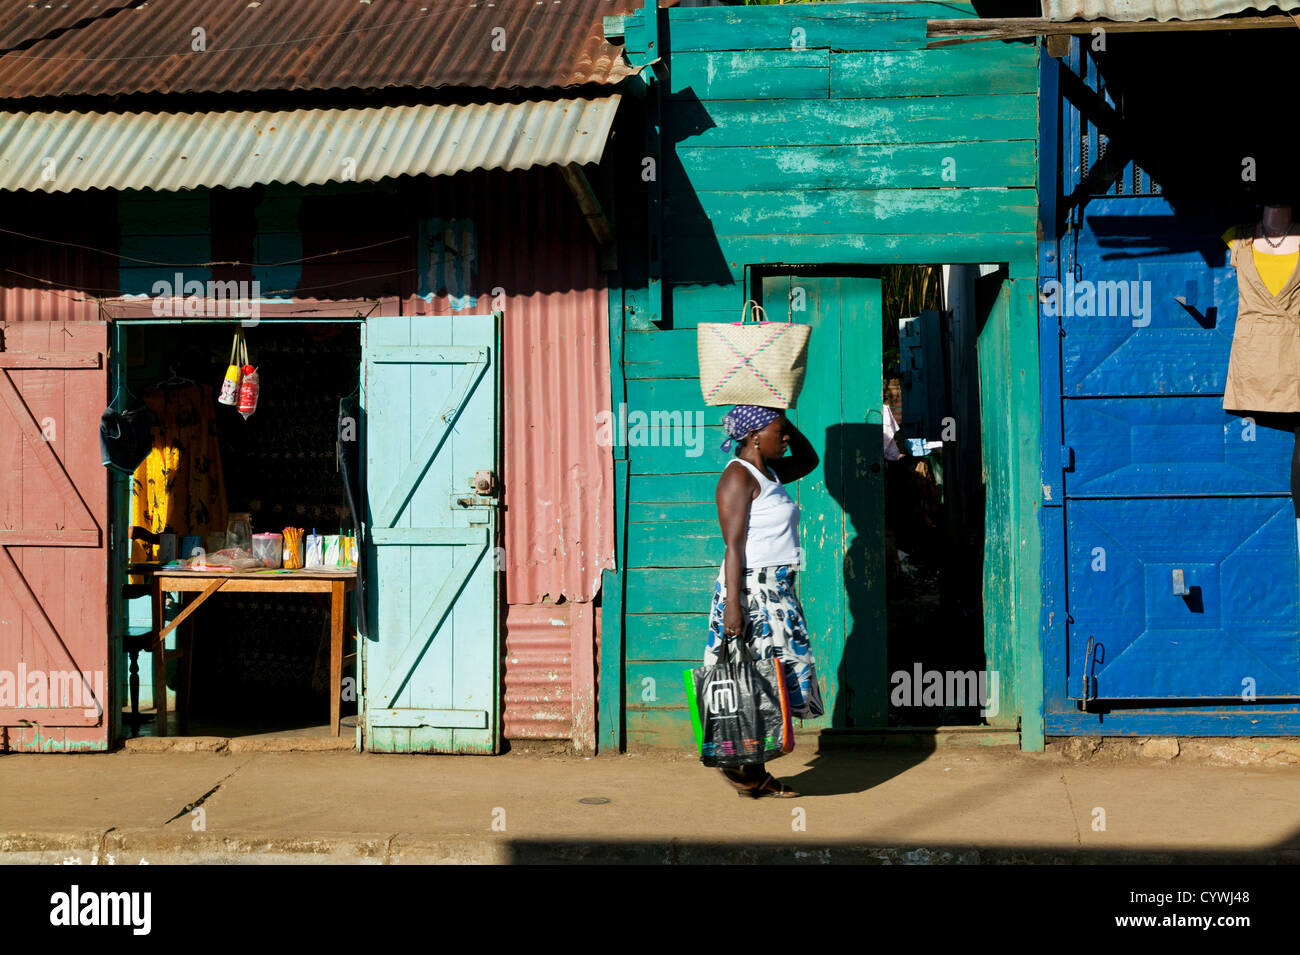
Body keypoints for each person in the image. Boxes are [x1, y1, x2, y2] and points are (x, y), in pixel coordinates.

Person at [706, 404, 821, 798]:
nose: (786, 437)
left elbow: (810, 459)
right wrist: (734, 607)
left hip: (778, 592)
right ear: (754, 435)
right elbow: (733, 546)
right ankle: (742, 770)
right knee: (753, 681)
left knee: (770, 682)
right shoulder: (738, 477)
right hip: (752, 593)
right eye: (779, 431)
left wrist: (784, 412)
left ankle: (750, 772)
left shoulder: (769, 472)